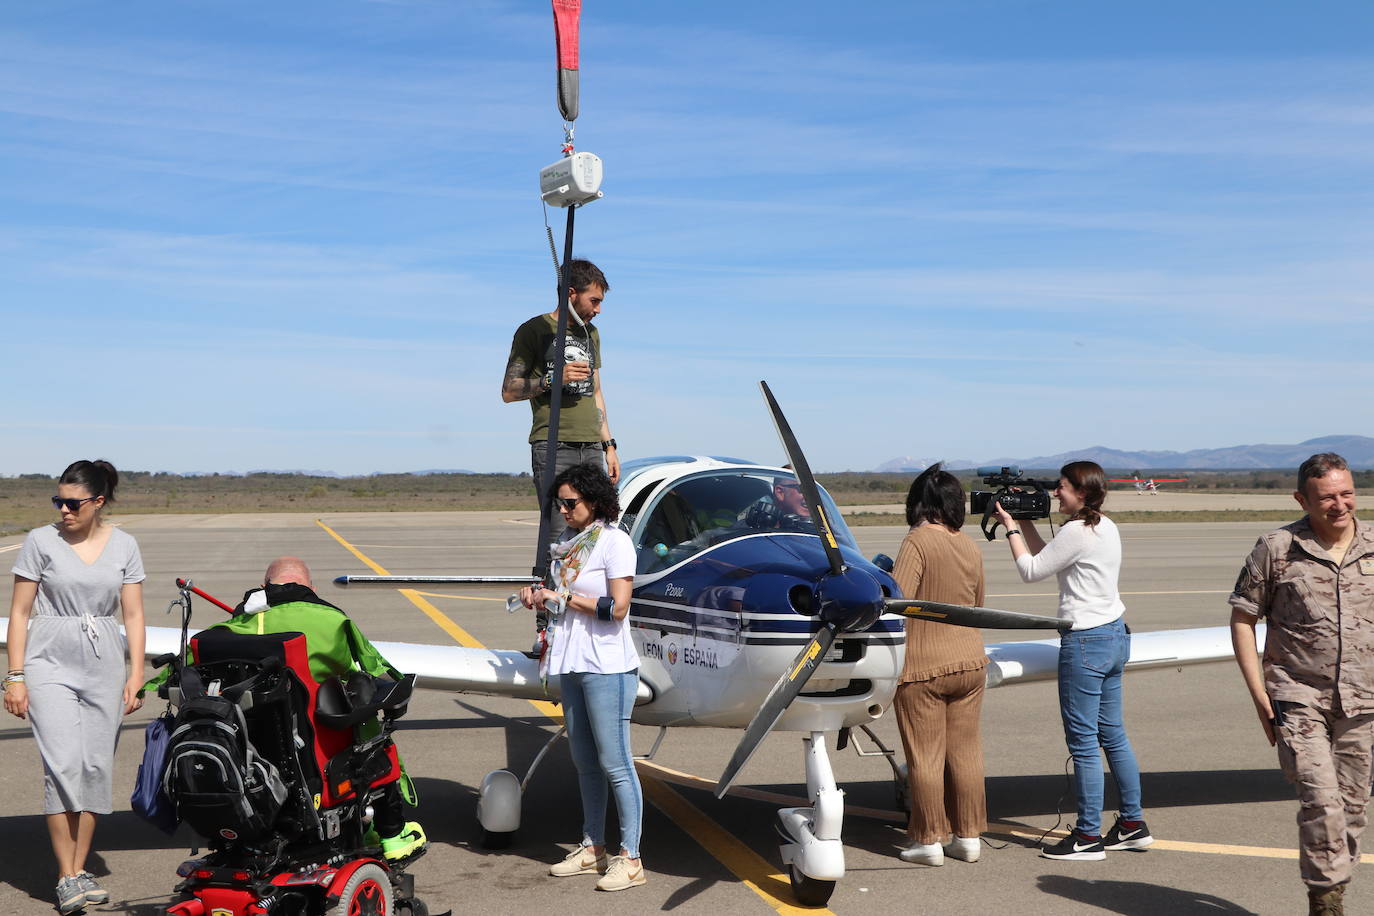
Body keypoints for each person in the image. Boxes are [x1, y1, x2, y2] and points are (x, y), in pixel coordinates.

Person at [142, 556, 426, 862]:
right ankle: (392, 835)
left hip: (244, 758)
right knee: (377, 739)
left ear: (264, 587)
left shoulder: (221, 631)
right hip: (310, 760)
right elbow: (364, 670)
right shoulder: (332, 622)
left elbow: (175, 676)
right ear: (311, 588)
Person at [1229, 453, 1374, 916]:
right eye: (1327, 497)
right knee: (1322, 802)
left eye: (1347, 493)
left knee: (1351, 811)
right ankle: (1326, 903)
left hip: (1364, 699)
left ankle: (1333, 891)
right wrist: (1259, 696)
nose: (1340, 504)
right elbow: (1242, 620)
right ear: (1302, 500)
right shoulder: (1276, 548)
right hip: (1297, 697)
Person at [3, 460, 146, 915]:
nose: (63, 510)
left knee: (94, 768)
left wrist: (136, 672)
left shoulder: (124, 545)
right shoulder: (41, 541)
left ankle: (81, 869)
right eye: (58, 501)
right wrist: (16, 676)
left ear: (98, 502)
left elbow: (134, 615)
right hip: (49, 658)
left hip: (103, 659)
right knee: (62, 764)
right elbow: (20, 614)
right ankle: (65, 876)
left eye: (73, 502)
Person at [993, 460, 1151, 861]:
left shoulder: (1076, 531)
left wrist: (1009, 526)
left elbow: (1031, 570)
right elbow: (1052, 556)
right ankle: (1132, 824)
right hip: (1115, 636)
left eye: (1062, 487)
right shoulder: (1104, 526)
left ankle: (1087, 836)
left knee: (1083, 745)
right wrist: (1025, 520)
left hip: (1086, 643)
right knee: (1112, 735)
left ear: (1081, 493)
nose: (1056, 493)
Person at [518, 463, 644, 892]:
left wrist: (564, 596)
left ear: (594, 501)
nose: (563, 510)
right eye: (559, 503)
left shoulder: (614, 542)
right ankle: (593, 848)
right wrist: (538, 597)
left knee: (616, 764)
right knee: (585, 763)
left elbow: (618, 608)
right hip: (572, 662)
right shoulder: (567, 546)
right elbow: (563, 605)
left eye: (570, 503)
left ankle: (631, 858)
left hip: (607, 665)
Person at [890, 464, 989, 866]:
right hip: (971, 660)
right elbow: (978, 605)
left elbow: (898, 601)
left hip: (923, 666)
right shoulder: (969, 544)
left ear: (919, 503)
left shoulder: (917, 541)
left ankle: (928, 838)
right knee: (965, 752)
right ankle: (968, 836)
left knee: (925, 755)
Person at [501, 258, 620, 545]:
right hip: (554, 446)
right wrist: (553, 379)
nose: (598, 309)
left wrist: (609, 445)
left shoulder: (591, 334)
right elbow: (509, 390)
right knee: (558, 535)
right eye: (593, 300)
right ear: (571, 293)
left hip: (591, 448)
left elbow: (597, 392)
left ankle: (584, 592)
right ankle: (553, 590)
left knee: (593, 535)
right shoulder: (534, 331)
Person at [741, 476, 813, 531]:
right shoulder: (745, 531)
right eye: (803, 489)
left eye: (812, 490)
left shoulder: (819, 533)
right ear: (780, 492)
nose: (810, 495)